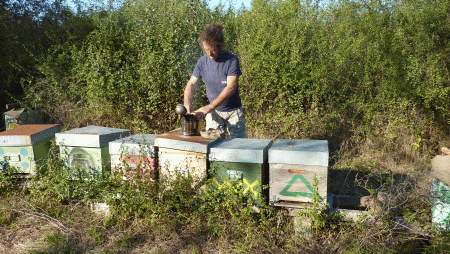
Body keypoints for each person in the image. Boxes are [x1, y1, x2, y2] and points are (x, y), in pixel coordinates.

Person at [183, 23, 246, 138]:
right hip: (214, 113)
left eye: (212, 50)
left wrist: (209, 107)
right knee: (212, 147)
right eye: (206, 50)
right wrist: (187, 103)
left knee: (239, 147)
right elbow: (191, 83)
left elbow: (230, 88)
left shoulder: (232, 60)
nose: (209, 54)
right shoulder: (202, 62)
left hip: (234, 112)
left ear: (220, 45)